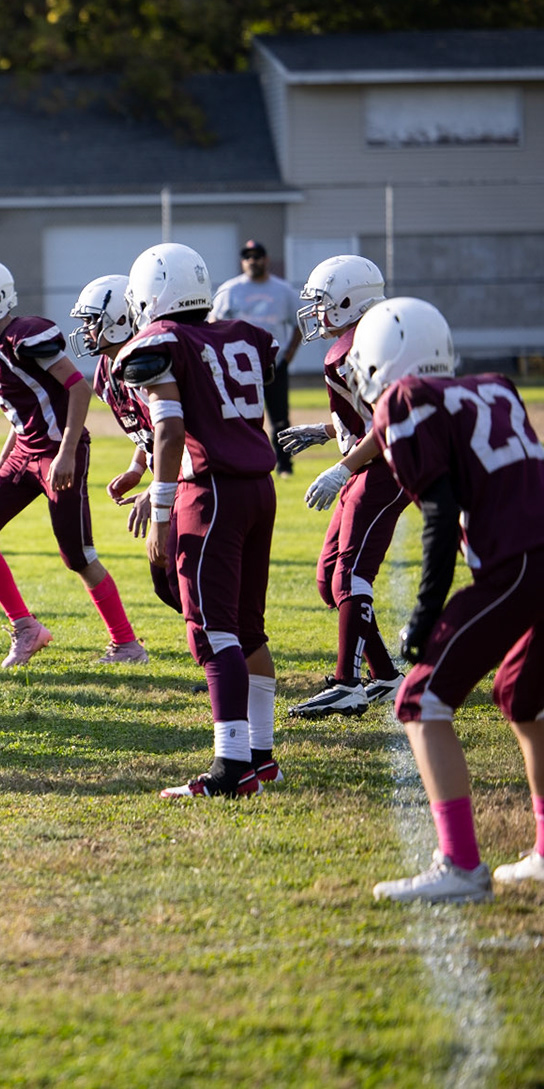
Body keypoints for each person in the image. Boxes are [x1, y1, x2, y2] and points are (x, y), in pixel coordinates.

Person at [350, 298, 544, 902]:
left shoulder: (406, 401)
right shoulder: (495, 386)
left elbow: (437, 517)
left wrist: (425, 613)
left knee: (421, 698)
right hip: (533, 554)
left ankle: (461, 866)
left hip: (519, 564)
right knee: (522, 695)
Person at [116, 243, 281, 799]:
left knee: (214, 632)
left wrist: (160, 510)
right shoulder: (241, 334)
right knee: (246, 628)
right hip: (258, 487)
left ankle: (231, 768)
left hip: (210, 492)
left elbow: (167, 429)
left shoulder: (161, 342)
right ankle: (261, 756)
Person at [0, 258, 145, 668]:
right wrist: (3, 460)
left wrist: (67, 451)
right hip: (23, 453)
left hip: (57, 452)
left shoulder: (25, 335)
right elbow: (22, 411)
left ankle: (127, 645)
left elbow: (78, 387)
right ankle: (25, 627)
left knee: (77, 555)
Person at [279, 256, 406, 719]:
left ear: (351, 301)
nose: (315, 314)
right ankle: (387, 677)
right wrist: (327, 429)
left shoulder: (363, 347)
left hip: (384, 468)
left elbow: (391, 423)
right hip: (368, 462)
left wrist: (341, 468)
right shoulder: (363, 340)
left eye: (324, 304)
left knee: (350, 576)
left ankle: (349, 684)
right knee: (328, 580)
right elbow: (367, 415)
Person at [68, 275, 181, 616]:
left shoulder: (151, 364)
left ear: (121, 319)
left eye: (92, 321)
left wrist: (155, 492)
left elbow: (177, 432)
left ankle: (230, 652)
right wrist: (137, 466)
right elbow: (150, 428)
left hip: (198, 475)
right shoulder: (109, 367)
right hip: (175, 474)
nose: (87, 330)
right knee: (165, 582)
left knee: (181, 578)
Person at [211, 240, 300, 475]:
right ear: (242, 261)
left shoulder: (283, 290)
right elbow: (213, 324)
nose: (253, 261)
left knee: (280, 418)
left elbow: (299, 323)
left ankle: (285, 466)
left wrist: (289, 355)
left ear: (266, 259)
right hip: (237, 367)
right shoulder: (230, 290)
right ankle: (238, 461)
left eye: (258, 256)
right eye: (248, 256)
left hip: (273, 364)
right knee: (236, 417)